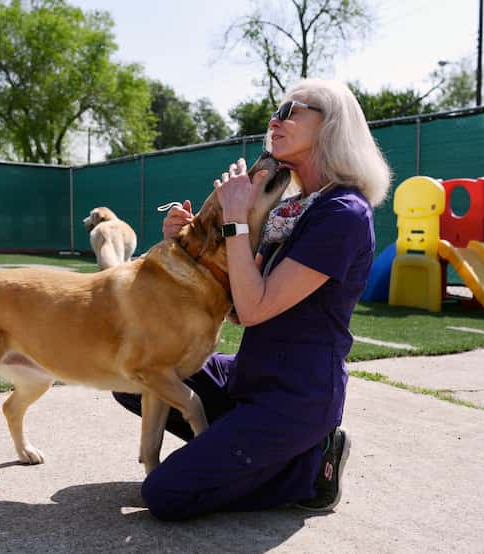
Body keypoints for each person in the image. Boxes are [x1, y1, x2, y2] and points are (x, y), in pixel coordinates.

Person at [113, 78, 391, 520]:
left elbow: (258, 305)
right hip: (250, 375)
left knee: (166, 496)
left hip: (296, 396)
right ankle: (251, 451)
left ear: (331, 126)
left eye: (293, 110)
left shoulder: (344, 214)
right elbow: (241, 308)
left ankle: (309, 467)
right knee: (135, 371)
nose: (275, 119)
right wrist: (195, 240)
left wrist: (237, 221)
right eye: (278, 110)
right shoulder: (291, 206)